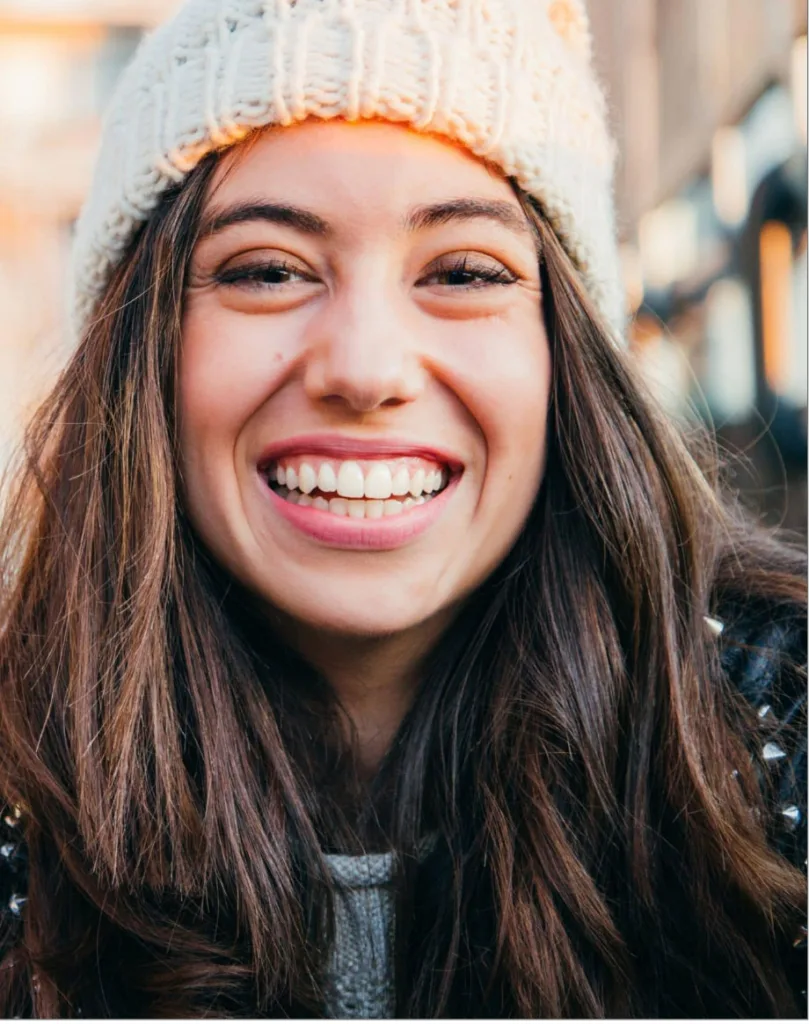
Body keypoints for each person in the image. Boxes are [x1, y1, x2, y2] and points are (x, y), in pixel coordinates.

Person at [0, 0, 804, 1017]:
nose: (366, 368)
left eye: (464, 271)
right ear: (139, 352)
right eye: (266, 270)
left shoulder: (781, 741)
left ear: (566, 355)